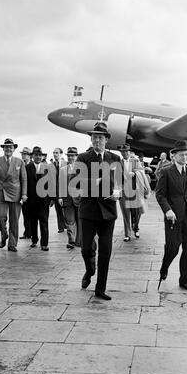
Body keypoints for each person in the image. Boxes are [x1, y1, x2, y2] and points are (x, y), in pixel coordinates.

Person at [75, 122, 121, 300]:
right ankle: (89, 269)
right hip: (88, 210)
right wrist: (96, 181)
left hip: (108, 211)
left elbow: (119, 182)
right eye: (94, 137)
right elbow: (75, 181)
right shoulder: (83, 158)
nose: (97, 140)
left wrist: (118, 192)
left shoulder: (115, 159)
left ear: (106, 140)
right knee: (86, 249)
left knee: (106, 251)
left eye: (100, 137)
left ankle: (100, 288)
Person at [156, 140, 187, 291]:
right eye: (181, 154)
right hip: (173, 217)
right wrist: (167, 210)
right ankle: (164, 268)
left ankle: (184, 280)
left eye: (186, 154)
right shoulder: (166, 171)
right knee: (173, 248)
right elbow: (160, 195)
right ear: (174, 156)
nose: (184, 157)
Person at [0, 138, 27, 252]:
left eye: (11, 147)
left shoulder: (19, 162)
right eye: (6, 147)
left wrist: (24, 194)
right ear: (3, 148)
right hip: (0, 192)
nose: (8, 149)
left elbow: (24, 179)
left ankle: (12, 244)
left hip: (15, 193)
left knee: (14, 220)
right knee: (0, 217)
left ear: (14, 149)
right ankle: (4, 233)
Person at [26, 146, 50, 251]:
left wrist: (52, 198)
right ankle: (34, 240)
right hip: (31, 200)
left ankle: (44, 243)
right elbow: (24, 183)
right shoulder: (27, 168)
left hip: (44, 200)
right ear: (32, 156)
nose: (38, 157)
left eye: (40, 155)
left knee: (44, 221)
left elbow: (52, 183)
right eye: (36, 155)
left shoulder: (47, 168)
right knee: (33, 222)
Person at [117, 144, 142, 241]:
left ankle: (136, 228)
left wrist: (135, 173)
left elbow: (141, 171)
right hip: (123, 191)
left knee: (136, 212)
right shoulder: (118, 162)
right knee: (125, 212)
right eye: (123, 152)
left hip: (135, 190)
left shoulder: (135, 161)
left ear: (129, 152)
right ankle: (127, 234)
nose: (125, 153)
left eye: (126, 151)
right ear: (121, 153)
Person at [59, 147, 81, 249]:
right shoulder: (63, 170)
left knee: (79, 220)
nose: (71, 157)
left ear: (76, 156)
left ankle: (79, 240)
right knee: (69, 220)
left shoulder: (82, 169)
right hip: (67, 198)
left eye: (73, 156)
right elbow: (61, 184)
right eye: (69, 156)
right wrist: (60, 197)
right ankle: (71, 240)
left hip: (79, 198)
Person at [51, 147, 67, 232]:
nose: (55, 154)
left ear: (61, 154)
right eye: (54, 153)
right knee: (58, 210)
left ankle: (67, 225)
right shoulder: (51, 165)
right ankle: (60, 227)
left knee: (66, 209)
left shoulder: (66, 163)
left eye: (57, 153)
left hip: (65, 190)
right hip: (56, 191)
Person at [19, 147, 32, 239]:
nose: (23, 155)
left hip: (32, 193)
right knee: (25, 214)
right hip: (23, 194)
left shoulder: (32, 165)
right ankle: (27, 232)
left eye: (25, 154)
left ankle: (31, 232)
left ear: (29, 155)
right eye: (22, 154)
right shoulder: (20, 165)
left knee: (32, 215)